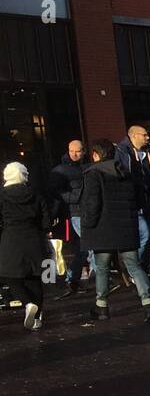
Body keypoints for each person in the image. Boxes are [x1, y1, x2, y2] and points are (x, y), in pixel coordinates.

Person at [82, 139, 150, 322]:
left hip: (103, 228)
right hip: (126, 226)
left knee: (102, 268)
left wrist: (88, 225)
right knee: (134, 266)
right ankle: (148, 304)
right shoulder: (126, 172)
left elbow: (93, 204)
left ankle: (102, 306)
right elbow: (140, 199)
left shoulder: (93, 174)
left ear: (96, 155)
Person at [0, 162, 52, 331]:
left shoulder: (2, 195)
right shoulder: (35, 194)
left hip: (11, 239)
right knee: (35, 278)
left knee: (9, 276)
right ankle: (37, 318)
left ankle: (27, 303)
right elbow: (46, 219)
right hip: (34, 239)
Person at [115, 124, 150, 285]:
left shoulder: (149, 152)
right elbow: (122, 175)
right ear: (134, 135)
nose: (147, 138)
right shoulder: (122, 151)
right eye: (144, 135)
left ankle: (143, 272)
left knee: (147, 237)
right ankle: (136, 271)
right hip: (134, 202)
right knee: (144, 236)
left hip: (149, 200)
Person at [48, 138, 92, 296]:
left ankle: (72, 279)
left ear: (83, 151)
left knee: (82, 249)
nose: (74, 154)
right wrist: (73, 197)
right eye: (71, 150)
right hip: (74, 212)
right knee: (89, 246)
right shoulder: (61, 170)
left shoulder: (84, 167)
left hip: (82, 211)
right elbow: (55, 194)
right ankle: (101, 278)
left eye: (77, 151)